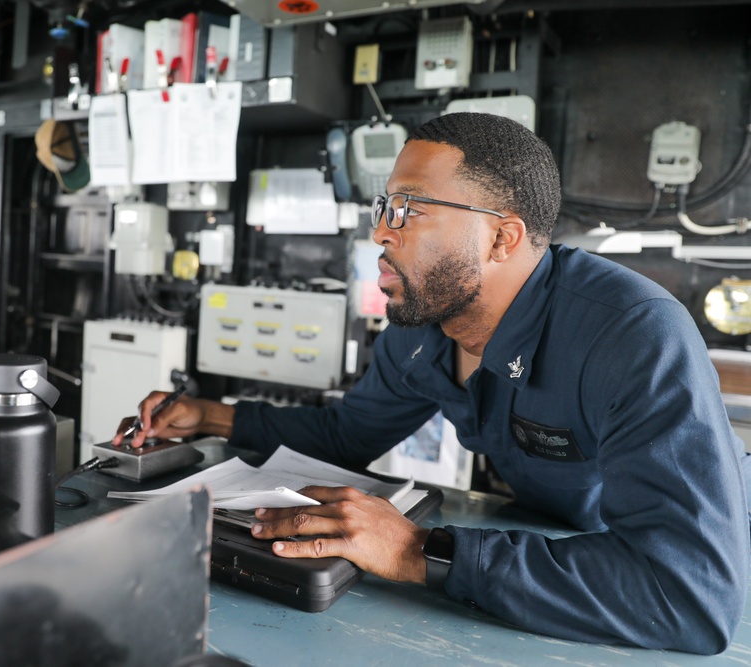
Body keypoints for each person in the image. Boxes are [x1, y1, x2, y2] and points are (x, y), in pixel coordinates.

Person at [112, 112, 751, 655]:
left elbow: (688, 596)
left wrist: (421, 552)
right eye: (384, 206)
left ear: (502, 238)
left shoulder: (632, 335)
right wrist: (212, 416)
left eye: (409, 209)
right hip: (558, 542)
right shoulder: (424, 330)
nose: (381, 231)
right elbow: (348, 433)